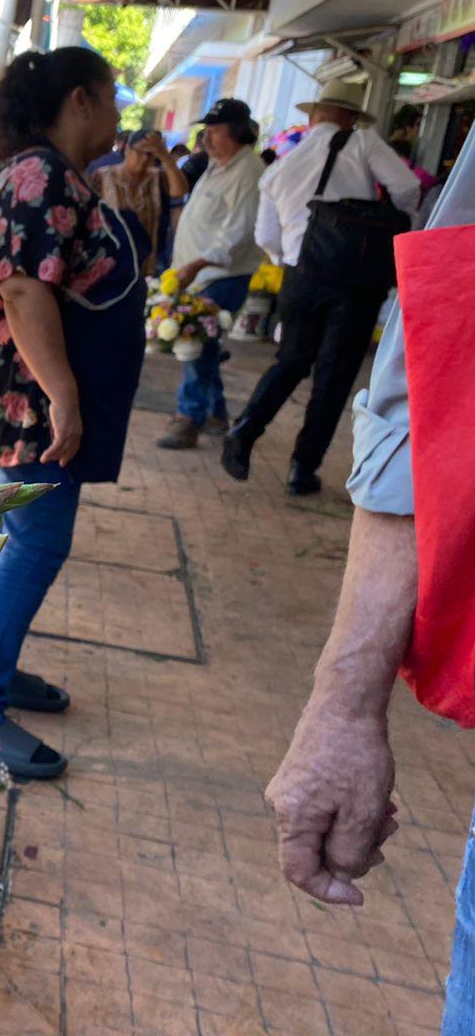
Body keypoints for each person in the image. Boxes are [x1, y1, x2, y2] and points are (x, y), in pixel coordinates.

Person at [263, 140, 475, 1030]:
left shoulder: (336, 157)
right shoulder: (353, 157)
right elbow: (447, 354)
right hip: (323, 291)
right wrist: (345, 699)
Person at [0, 46, 142, 781]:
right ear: (79, 101)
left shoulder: (47, 175)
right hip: (26, 402)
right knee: (35, 541)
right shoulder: (44, 178)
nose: (120, 116)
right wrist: (63, 393)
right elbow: (25, 291)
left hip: (18, 394)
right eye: (111, 97)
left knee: (17, 538)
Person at [221, 80, 421, 494]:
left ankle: (244, 429)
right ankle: (301, 468)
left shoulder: (279, 169)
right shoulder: (363, 142)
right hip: (355, 280)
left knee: (291, 361)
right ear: (350, 117)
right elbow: (406, 188)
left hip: (300, 276)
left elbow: (267, 238)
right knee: (334, 375)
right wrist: (387, 226)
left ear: (313, 118)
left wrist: (294, 259)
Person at [155, 98, 266, 450]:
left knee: (193, 341)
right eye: (207, 131)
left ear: (237, 133)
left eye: (216, 131)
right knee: (202, 345)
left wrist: (196, 264)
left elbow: (238, 232)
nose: (208, 138)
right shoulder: (218, 166)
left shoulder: (248, 171)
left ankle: (190, 417)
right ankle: (216, 413)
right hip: (197, 273)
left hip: (221, 274)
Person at [92, 128, 188, 274]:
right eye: (140, 152)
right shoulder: (102, 177)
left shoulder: (157, 177)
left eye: (150, 155)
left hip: (145, 264)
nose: (144, 159)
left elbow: (180, 191)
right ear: (127, 150)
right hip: (108, 261)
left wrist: (165, 157)